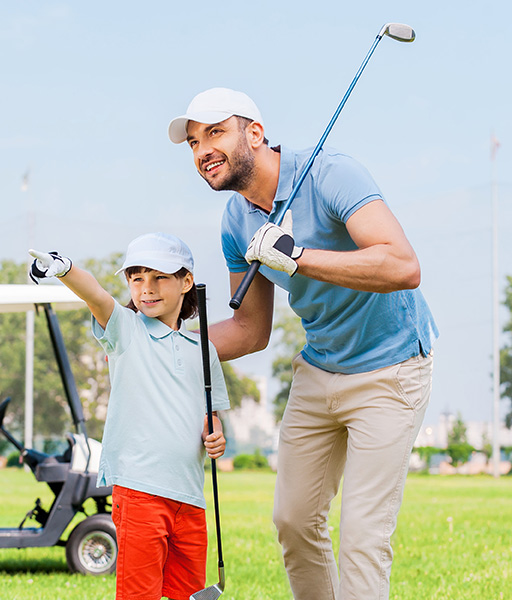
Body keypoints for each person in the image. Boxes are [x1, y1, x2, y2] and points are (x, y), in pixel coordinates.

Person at [168, 87, 438, 600]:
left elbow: (404, 267)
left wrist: (297, 255)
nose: (202, 150)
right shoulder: (236, 221)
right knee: (293, 521)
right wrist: (172, 340)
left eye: (215, 132)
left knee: (362, 535)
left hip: (392, 368)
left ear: (255, 133)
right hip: (319, 370)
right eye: (194, 142)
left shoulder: (330, 173)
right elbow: (250, 330)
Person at [28, 232, 230, 600]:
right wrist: (64, 268)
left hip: (190, 496)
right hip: (140, 491)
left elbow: (209, 414)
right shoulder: (127, 330)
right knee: (140, 593)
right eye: (137, 278)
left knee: (186, 593)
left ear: (186, 282)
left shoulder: (204, 349)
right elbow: (96, 296)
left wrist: (214, 433)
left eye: (159, 278)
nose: (146, 289)